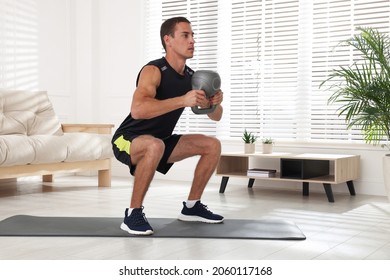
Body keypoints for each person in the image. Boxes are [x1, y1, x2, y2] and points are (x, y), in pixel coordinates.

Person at [112, 16, 224, 235]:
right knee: (154, 146)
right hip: (128, 139)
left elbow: (216, 116)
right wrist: (183, 100)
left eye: (193, 36)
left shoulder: (192, 77)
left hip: (161, 141)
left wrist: (214, 103)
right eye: (185, 35)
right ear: (168, 40)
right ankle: (132, 214)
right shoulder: (153, 70)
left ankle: (192, 207)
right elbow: (138, 109)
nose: (192, 40)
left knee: (212, 145)